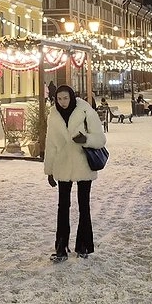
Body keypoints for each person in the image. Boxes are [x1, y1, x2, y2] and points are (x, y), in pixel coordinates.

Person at [44, 85, 107, 261]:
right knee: (62, 207)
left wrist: (86, 140)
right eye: (59, 99)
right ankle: (61, 248)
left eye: (65, 98)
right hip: (63, 165)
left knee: (83, 206)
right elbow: (50, 144)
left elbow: (100, 139)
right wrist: (49, 170)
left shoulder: (86, 111)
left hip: (83, 164)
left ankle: (84, 246)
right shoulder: (53, 115)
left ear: (71, 97)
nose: (63, 102)